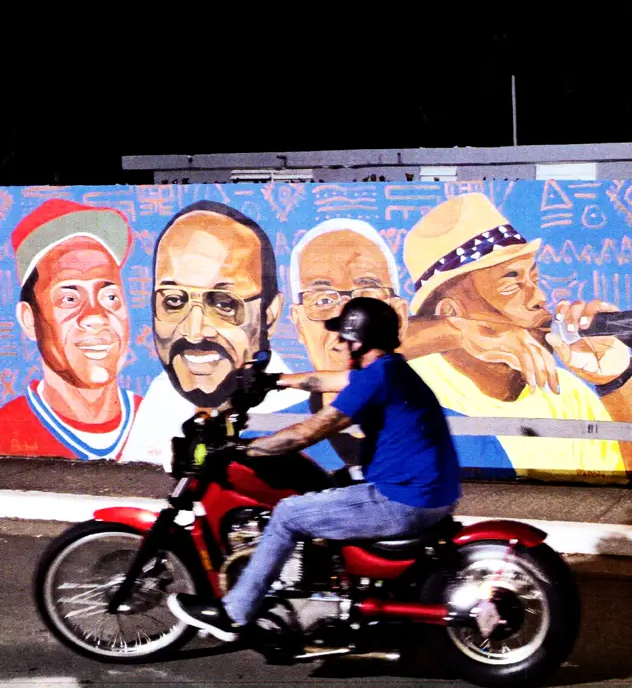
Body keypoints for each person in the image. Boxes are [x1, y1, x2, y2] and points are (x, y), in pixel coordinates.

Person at [168, 297, 461, 641]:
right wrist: (276, 380)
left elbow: (308, 432)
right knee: (324, 483)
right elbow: (323, 380)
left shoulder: (376, 379)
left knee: (289, 513)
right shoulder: (389, 370)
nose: (339, 343)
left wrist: (242, 449)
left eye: (345, 337)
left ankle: (234, 614)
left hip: (404, 498)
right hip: (428, 490)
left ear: (360, 340)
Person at [396, 192, 632, 480]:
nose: (539, 297)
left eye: (534, 280)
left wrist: (616, 381)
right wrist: (457, 332)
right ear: (451, 312)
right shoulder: (408, 386)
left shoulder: (564, 392)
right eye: (511, 284)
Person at [120, 201, 341, 470]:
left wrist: (241, 448)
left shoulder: (294, 407)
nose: (194, 330)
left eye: (224, 304)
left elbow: (302, 435)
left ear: (269, 313)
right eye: (175, 301)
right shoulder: (160, 398)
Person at [0, 199, 139, 459]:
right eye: (70, 299)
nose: (96, 317)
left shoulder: (155, 421)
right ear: (29, 319)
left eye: (110, 297)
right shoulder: (6, 432)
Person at [288, 218, 409, 467]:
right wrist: (275, 380)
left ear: (400, 316)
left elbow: (303, 434)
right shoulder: (385, 373)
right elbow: (322, 380)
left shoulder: (382, 378)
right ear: (298, 322)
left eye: (367, 298)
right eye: (322, 300)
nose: (347, 327)